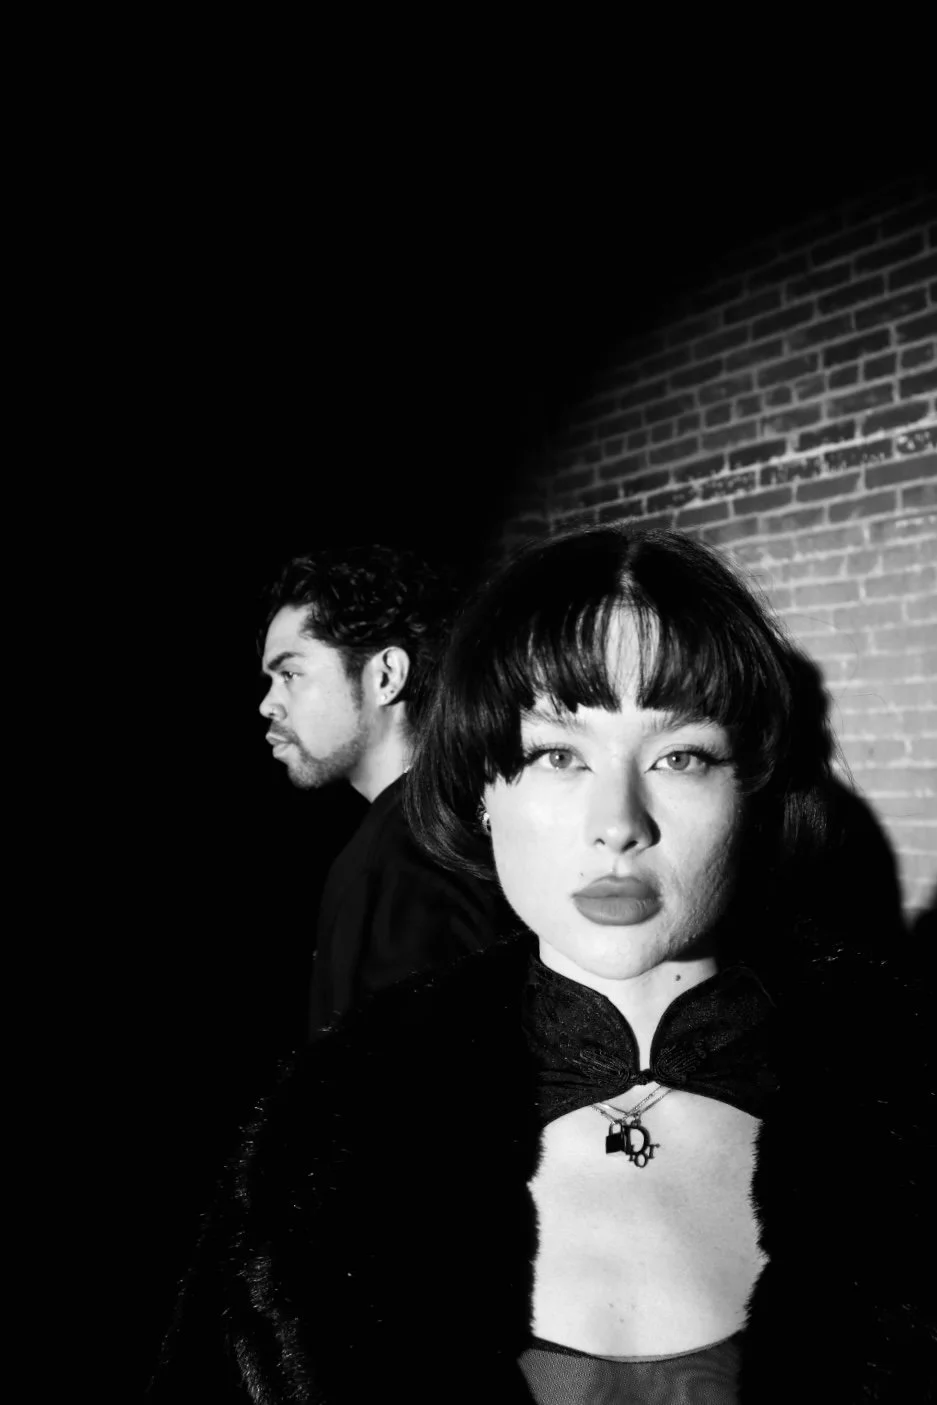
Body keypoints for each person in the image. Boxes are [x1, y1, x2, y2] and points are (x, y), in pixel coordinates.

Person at [151, 526, 929, 1402]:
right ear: (481, 789)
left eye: (679, 755)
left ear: (750, 792)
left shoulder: (907, 1098)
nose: (617, 823)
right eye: (558, 754)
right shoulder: (320, 1142)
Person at [258, 544, 506, 1034]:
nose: (268, 704)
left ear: (386, 677)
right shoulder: (446, 828)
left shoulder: (408, 868)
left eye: (289, 674)